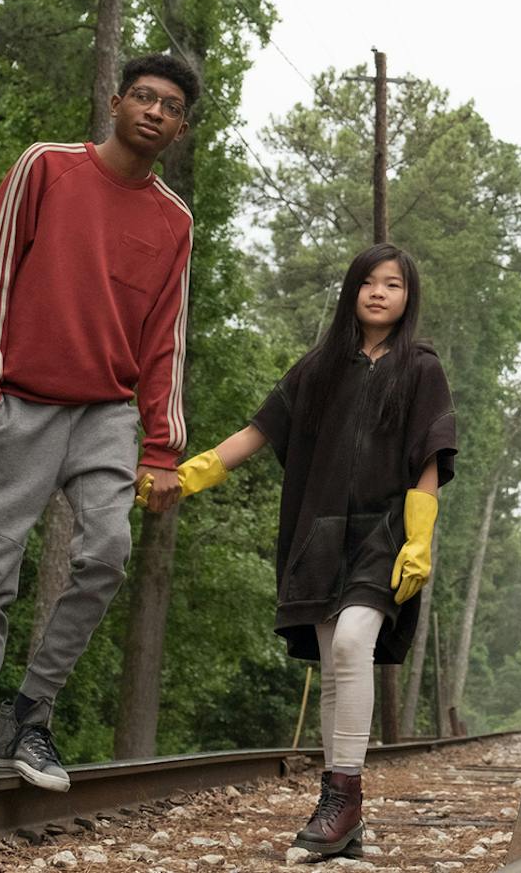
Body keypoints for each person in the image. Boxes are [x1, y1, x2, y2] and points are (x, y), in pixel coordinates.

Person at [0, 53, 198, 791]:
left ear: (180, 128)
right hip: (15, 404)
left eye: (170, 105)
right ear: (115, 103)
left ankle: (26, 714)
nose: (153, 110)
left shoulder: (173, 221)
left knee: (107, 553)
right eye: (143, 96)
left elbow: (165, 339)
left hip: (105, 415)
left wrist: (161, 446)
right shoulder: (46, 167)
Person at [168, 243, 453, 858]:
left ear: (409, 298)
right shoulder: (318, 367)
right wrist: (189, 475)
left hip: (385, 534)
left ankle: (343, 794)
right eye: (369, 282)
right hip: (319, 534)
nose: (380, 292)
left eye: (394, 284)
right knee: (334, 670)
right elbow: (258, 431)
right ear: (353, 290)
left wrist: (421, 538)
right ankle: (343, 816)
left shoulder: (421, 368)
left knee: (353, 642)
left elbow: (429, 456)